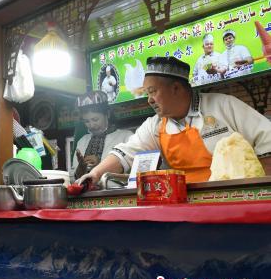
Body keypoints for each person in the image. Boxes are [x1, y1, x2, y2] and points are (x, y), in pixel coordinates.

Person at [76, 57, 271, 185]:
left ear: (176, 89)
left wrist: (257, 186)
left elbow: (268, 139)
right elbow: (125, 154)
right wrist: (94, 176)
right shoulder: (155, 125)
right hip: (185, 205)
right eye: (146, 94)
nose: (149, 100)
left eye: (152, 92)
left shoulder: (223, 106)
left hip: (233, 200)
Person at [70, 91, 133, 180]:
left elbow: (134, 174)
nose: (91, 125)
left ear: (107, 114)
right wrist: (80, 168)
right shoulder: (82, 141)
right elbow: (73, 180)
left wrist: (100, 165)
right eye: (86, 121)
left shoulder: (126, 137)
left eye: (95, 119)